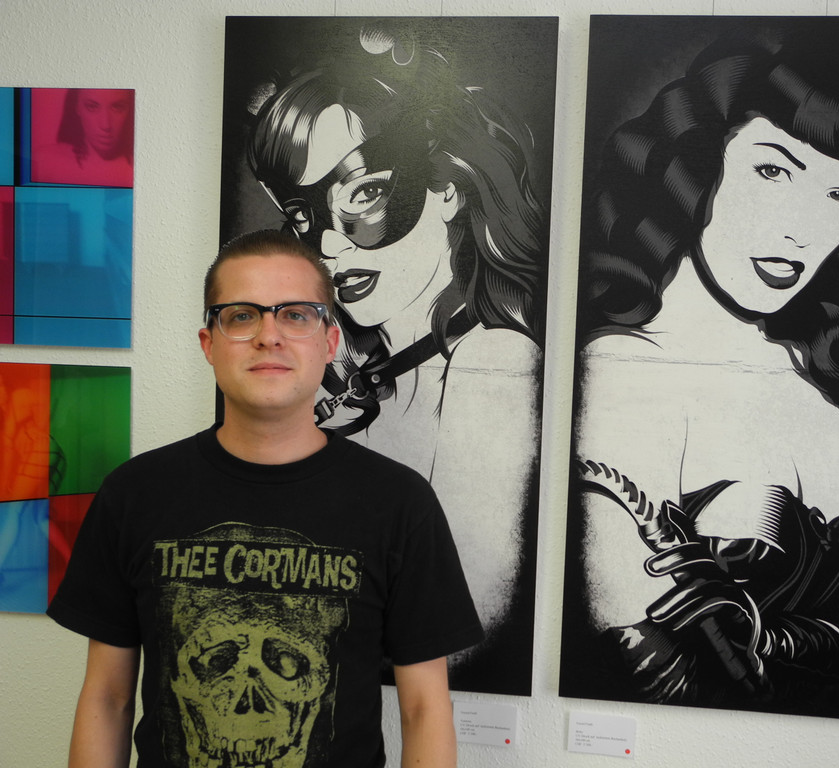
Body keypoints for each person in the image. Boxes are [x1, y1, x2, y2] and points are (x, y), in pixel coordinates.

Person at [570, 35, 839, 717]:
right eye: (773, 172)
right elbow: (632, 649)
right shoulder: (625, 373)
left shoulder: (829, 397)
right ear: (698, 170)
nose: (804, 230)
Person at [47, 229, 482, 767]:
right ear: (209, 343)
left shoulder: (400, 504)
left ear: (329, 342)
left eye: (295, 315)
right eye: (241, 316)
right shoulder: (133, 495)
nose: (268, 335)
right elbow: (107, 698)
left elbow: (423, 709)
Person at [245, 24, 547, 683]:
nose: (329, 246)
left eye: (363, 193)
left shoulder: (492, 362)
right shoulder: (357, 376)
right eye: (303, 217)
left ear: (445, 188)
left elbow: (464, 627)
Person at [32, 88, 135, 187]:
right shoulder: (44, 161)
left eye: (117, 107)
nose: (105, 125)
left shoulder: (138, 168)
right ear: (77, 107)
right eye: (92, 107)